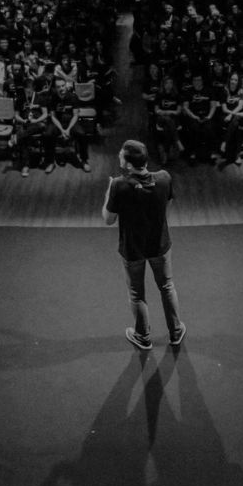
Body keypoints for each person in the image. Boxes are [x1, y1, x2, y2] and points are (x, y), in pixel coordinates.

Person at [100, 140, 184, 350]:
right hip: (160, 245)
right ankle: (175, 332)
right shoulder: (164, 178)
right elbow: (166, 208)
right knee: (167, 287)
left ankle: (142, 337)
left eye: (121, 155)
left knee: (137, 294)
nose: (119, 156)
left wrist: (108, 194)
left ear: (129, 164)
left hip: (132, 249)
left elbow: (108, 219)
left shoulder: (118, 185)